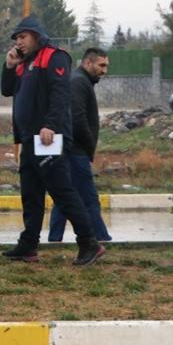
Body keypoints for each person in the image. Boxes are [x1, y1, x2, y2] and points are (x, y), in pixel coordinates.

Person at [0, 17, 105, 266]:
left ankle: (89, 243)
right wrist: (8, 65)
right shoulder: (25, 63)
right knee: (31, 192)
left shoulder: (54, 56)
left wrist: (51, 125)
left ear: (36, 35)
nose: (19, 42)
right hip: (28, 139)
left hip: (48, 137)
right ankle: (28, 245)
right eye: (16, 39)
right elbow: (7, 90)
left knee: (61, 190)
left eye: (22, 37)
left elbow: (61, 94)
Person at [48, 48, 112, 243]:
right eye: (101, 65)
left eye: (106, 66)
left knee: (65, 197)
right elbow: (77, 118)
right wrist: (89, 144)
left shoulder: (81, 81)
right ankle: (102, 238)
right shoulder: (78, 82)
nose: (104, 70)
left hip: (72, 151)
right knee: (89, 198)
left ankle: (54, 240)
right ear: (87, 63)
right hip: (75, 152)